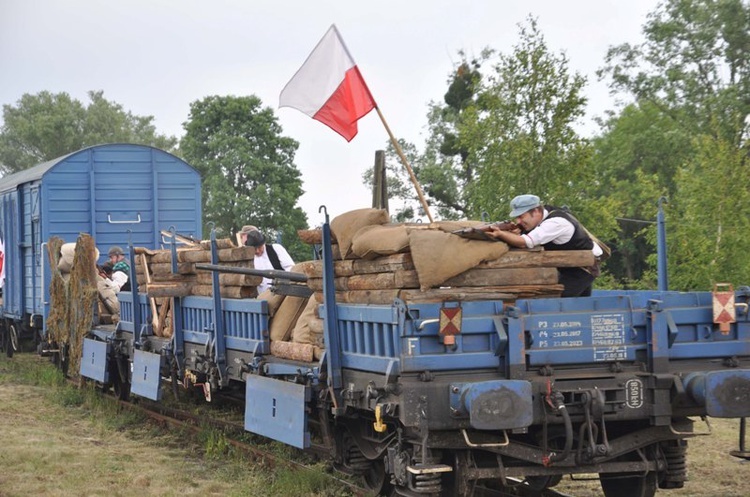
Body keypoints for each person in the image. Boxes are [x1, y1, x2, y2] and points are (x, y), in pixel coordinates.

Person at [486, 194, 603, 297]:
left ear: (536, 211)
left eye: (521, 216)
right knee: (578, 307)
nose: (518, 222)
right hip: (567, 267)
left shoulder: (556, 222)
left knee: (555, 300)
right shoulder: (544, 215)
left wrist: (500, 234)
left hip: (583, 269)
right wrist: (518, 232)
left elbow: (525, 242)